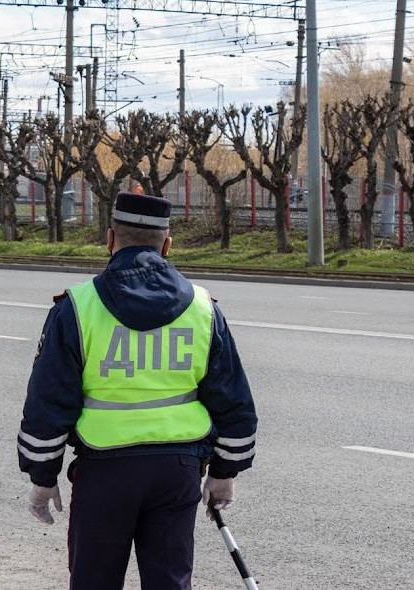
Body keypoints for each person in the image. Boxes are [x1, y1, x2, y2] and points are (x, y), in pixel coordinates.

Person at [16, 192, 258, 590]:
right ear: (167, 245)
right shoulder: (203, 308)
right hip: (177, 471)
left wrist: (43, 477)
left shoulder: (77, 307)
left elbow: (48, 403)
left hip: (104, 471)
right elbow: (234, 400)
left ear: (110, 239)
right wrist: (224, 473)